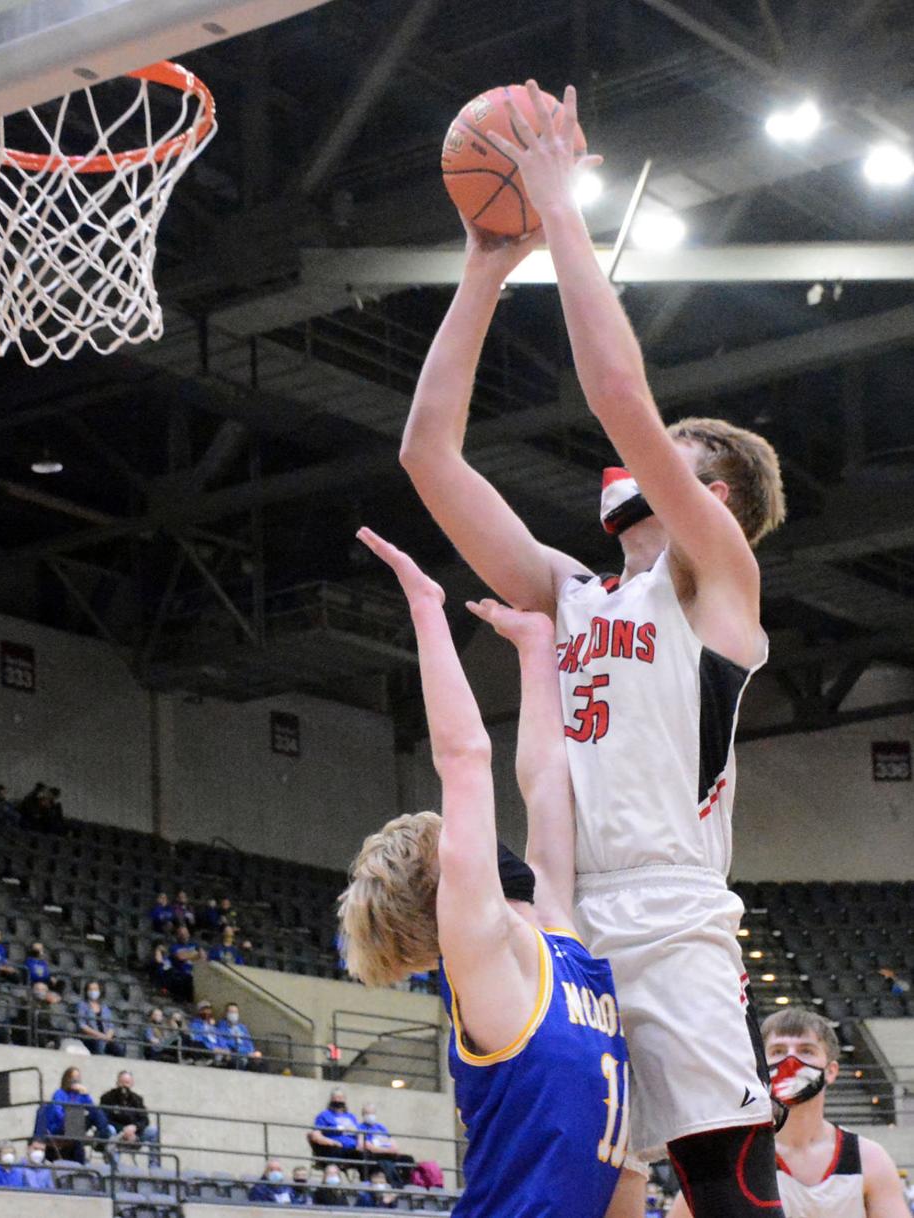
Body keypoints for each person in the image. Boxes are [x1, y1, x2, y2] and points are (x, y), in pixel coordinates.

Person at [399, 81, 788, 1218]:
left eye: (670, 452)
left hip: (672, 920)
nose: (638, 457)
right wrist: (484, 265)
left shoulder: (720, 579)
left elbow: (618, 393)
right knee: (586, 1205)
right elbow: (430, 458)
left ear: (711, 491)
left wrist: (562, 207)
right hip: (567, 927)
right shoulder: (569, 592)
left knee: (730, 1202)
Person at [339, 530, 634, 1218]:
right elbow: (465, 755)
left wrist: (537, 652)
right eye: (455, 841)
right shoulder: (483, 966)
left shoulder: (561, 942)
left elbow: (547, 787)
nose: (477, 840)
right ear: (446, 885)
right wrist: (424, 606)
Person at [668, 1007, 910, 1218]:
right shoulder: (728, 1157)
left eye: (806, 1051)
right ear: (760, 1068)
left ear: (831, 1070)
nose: (791, 1061)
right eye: (778, 1051)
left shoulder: (869, 1158)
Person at [35, 1066, 117, 1164]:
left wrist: (86, 1094)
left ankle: (102, 1141)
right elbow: (58, 1113)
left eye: (78, 1077)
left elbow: (93, 1110)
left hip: (76, 1127)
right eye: (73, 1077)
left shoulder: (81, 1095)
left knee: (97, 1112)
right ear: (67, 1079)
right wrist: (72, 1116)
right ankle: (89, 1149)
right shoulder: (60, 1093)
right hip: (60, 1126)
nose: (76, 1080)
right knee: (75, 1115)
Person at [99, 1071, 160, 1167]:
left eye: (127, 1083)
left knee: (153, 1131)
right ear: (117, 1083)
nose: (124, 1086)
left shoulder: (137, 1099)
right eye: (121, 1082)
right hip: (117, 1134)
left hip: (135, 1136)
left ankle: (155, 1168)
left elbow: (145, 1120)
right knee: (110, 1129)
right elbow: (103, 1119)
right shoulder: (107, 1098)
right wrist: (123, 1130)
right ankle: (113, 1168)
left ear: (132, 1084)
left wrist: (135, 1128)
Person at [309, 1088, 366, 1177]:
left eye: (341, 1098)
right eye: (336, 1097)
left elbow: (360, 1132)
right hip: (334, 1148)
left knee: (366, 1156)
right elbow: (315, 1135)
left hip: (352, 1150)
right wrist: (333, 1142)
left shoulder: (351, 1117)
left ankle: (366, 1183)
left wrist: (360, 1143)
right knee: (334, 1153)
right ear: (331, 1099)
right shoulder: (324, 1115)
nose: (338, 1100)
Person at [358, 1104, 414, 1188]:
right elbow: (363, 1145)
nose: (370, 1116)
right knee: (382, 1162)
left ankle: (406, 1185)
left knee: (408, 1159)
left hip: (387, 1152)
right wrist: (384, 1150)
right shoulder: (360, 1127)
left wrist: (391, 1149)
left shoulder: (381, 1127)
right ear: (363, 1115)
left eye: (372, 1113)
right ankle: (392, 1184)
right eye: (367, 1113)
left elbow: (394, 1144)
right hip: (376, 1154)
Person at [75, 980, 124, 1056]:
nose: (93, 991)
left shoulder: (104, 1007)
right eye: (90, 989)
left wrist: (108, 1036)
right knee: (99, 1044)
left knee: (119, 1047)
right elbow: (82, 1025)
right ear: (86, 991)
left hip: (105, 1037)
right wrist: (100, 1035)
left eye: (95, 989)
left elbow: (111, 1025)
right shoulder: (82, 1005)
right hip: (90, 1037)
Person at [217, 1002, 263, 1070]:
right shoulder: (221, 1027)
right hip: (234, 1055)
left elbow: (249, 1042)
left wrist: (253, 1053)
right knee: (239, 1064)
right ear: (226, 1013)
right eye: (231, 1012)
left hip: (248, 1055)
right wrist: (247, 1053)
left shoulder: (242, 1027)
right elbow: (229, 1043)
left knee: (262, 1065)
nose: (234, 1014)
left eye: (235, 1012)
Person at [167, 926, 202, 1002]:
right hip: (182, 975)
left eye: (186, 933)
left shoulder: (195, 944)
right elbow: (180, 957)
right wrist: (195, 954)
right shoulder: (174, 947)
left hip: (196, 973)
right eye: (181, 934)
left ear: (189, 934)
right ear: (177, 936)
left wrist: (188, 955)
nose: (184, 936)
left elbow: (203, 955)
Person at [190, 1001, 229, 1066]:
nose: (207, 1012)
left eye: (208, 1009)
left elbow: (221, 1038)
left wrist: (225, 1049)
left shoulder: (214, 1027)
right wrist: (212, 1048)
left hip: (220, 1052)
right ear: (199, 1012)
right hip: (208, 1051)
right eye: (203, 1010)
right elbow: (198, 1040)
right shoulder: (195, 1025)